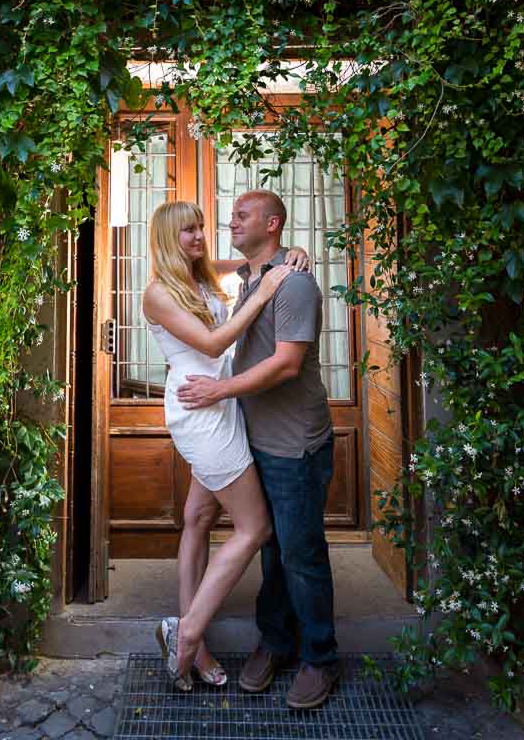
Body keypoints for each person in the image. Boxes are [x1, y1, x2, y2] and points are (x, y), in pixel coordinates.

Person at [177, 189, 339, 710]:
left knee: (301, 555)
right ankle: (275, 642)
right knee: (270, 550)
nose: (230, 221)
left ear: (273, 223)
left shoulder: (294, 284)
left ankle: (320, 658)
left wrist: (219, 391)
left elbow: (289, 363)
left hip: (295, 445)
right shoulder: (249, 279)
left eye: (241, 215)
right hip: (252, 441)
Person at [142, 200, 309, 691]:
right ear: (167, 239)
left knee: (198, 518)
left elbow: (257, 262)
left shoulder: (200, 274)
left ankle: (196, 647)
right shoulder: (158, 293)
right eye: (186, 232)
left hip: (224, 403)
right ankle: (187, 633)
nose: (198, 237)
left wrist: (291, 253)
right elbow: (213, 346)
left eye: (199, 227)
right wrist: (266, 292)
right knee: (254, 529)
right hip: (201, 410)